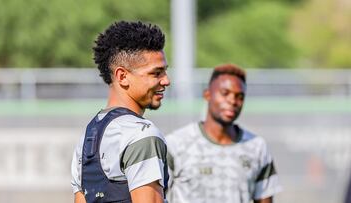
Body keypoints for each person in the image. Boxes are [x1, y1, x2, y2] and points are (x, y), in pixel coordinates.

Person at [71, 21, 170, 203]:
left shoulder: (88, 136)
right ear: (122, 76)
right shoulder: (142, 134)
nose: (166, 81)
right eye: (156, 73)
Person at [166, 64, 282, 203]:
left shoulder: (256, 147)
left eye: (239, 96)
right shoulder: (176, 144)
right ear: (207, 94)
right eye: (225, 93)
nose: (232, 101)